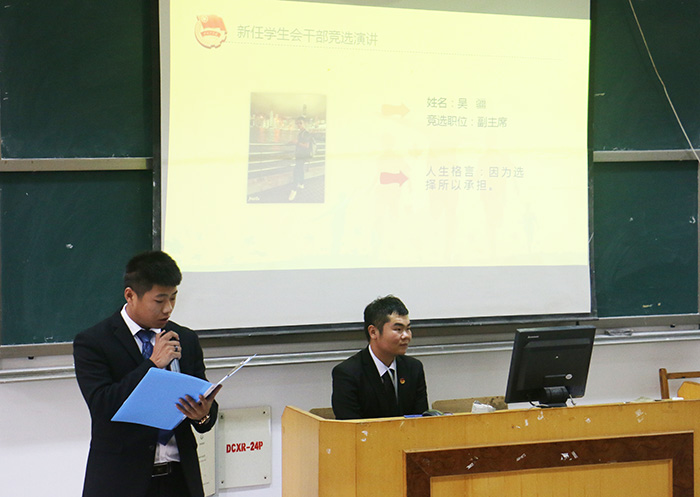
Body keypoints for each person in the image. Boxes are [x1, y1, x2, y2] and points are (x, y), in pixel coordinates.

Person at [73, 250, 221, 497]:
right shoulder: (93, 342)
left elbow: (205, 411)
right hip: (121, 482)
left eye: (173, 298)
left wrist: (203, 415)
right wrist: (152, 364)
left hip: (179, 479)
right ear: (130, 295)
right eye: (159, 300)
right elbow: (102, 406)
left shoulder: (185, 338)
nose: (168, 308)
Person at [331, 295, 428, 419]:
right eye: (398, 329)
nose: (406, 336)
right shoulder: (347, 373)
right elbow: (350, 426)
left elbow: (421, 420)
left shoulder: (413, 368)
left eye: (408, 329)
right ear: (373, 332)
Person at [288, 116, 314, 201]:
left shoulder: (306, 133)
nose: (298, 124)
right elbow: (299, 142)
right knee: (300, 169)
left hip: (302, 156)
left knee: (296, 171)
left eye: (300, 123)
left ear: (305, 123)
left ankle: (294, 190)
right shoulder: (300, 133)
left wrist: (297, 143)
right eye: (297, 123)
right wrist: (291, 142)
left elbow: (306, 145)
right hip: (299, 155)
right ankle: (301, 184)